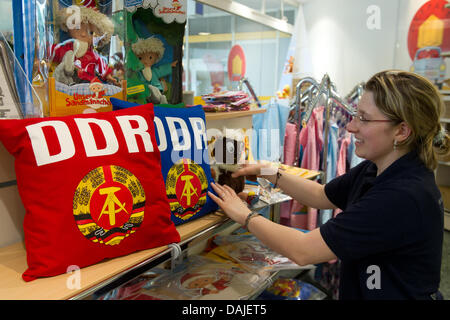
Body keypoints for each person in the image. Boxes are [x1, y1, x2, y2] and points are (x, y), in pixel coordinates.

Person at [208, 70, 449, 300]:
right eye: (355, 114)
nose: (351, 126)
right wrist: (267, 171)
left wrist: (244, 216)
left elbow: (303, 250)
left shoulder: (401, 196)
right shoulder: (377, 168)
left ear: (402, 131)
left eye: (363, 119)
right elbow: (322, 195)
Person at [51, 5, 119, 86]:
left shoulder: (94, 55)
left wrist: (108, 76)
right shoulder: (68, 48)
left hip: (89, 84)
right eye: (77, 28)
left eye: (90, 32)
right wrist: (42, 55)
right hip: (70, 82)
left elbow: (102, 67)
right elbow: (54, 51)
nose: (83, 34)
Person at [131, 37, 178, 104]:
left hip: (156, 89)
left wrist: (170, 66)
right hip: (144, 91)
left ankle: (161, 99)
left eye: (150, 58)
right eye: (140, 58)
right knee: (149, 90)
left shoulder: (154, 71)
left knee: (155, 91)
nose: (145, 61)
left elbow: (162, 70)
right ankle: (158, 98)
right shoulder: (139, 72)